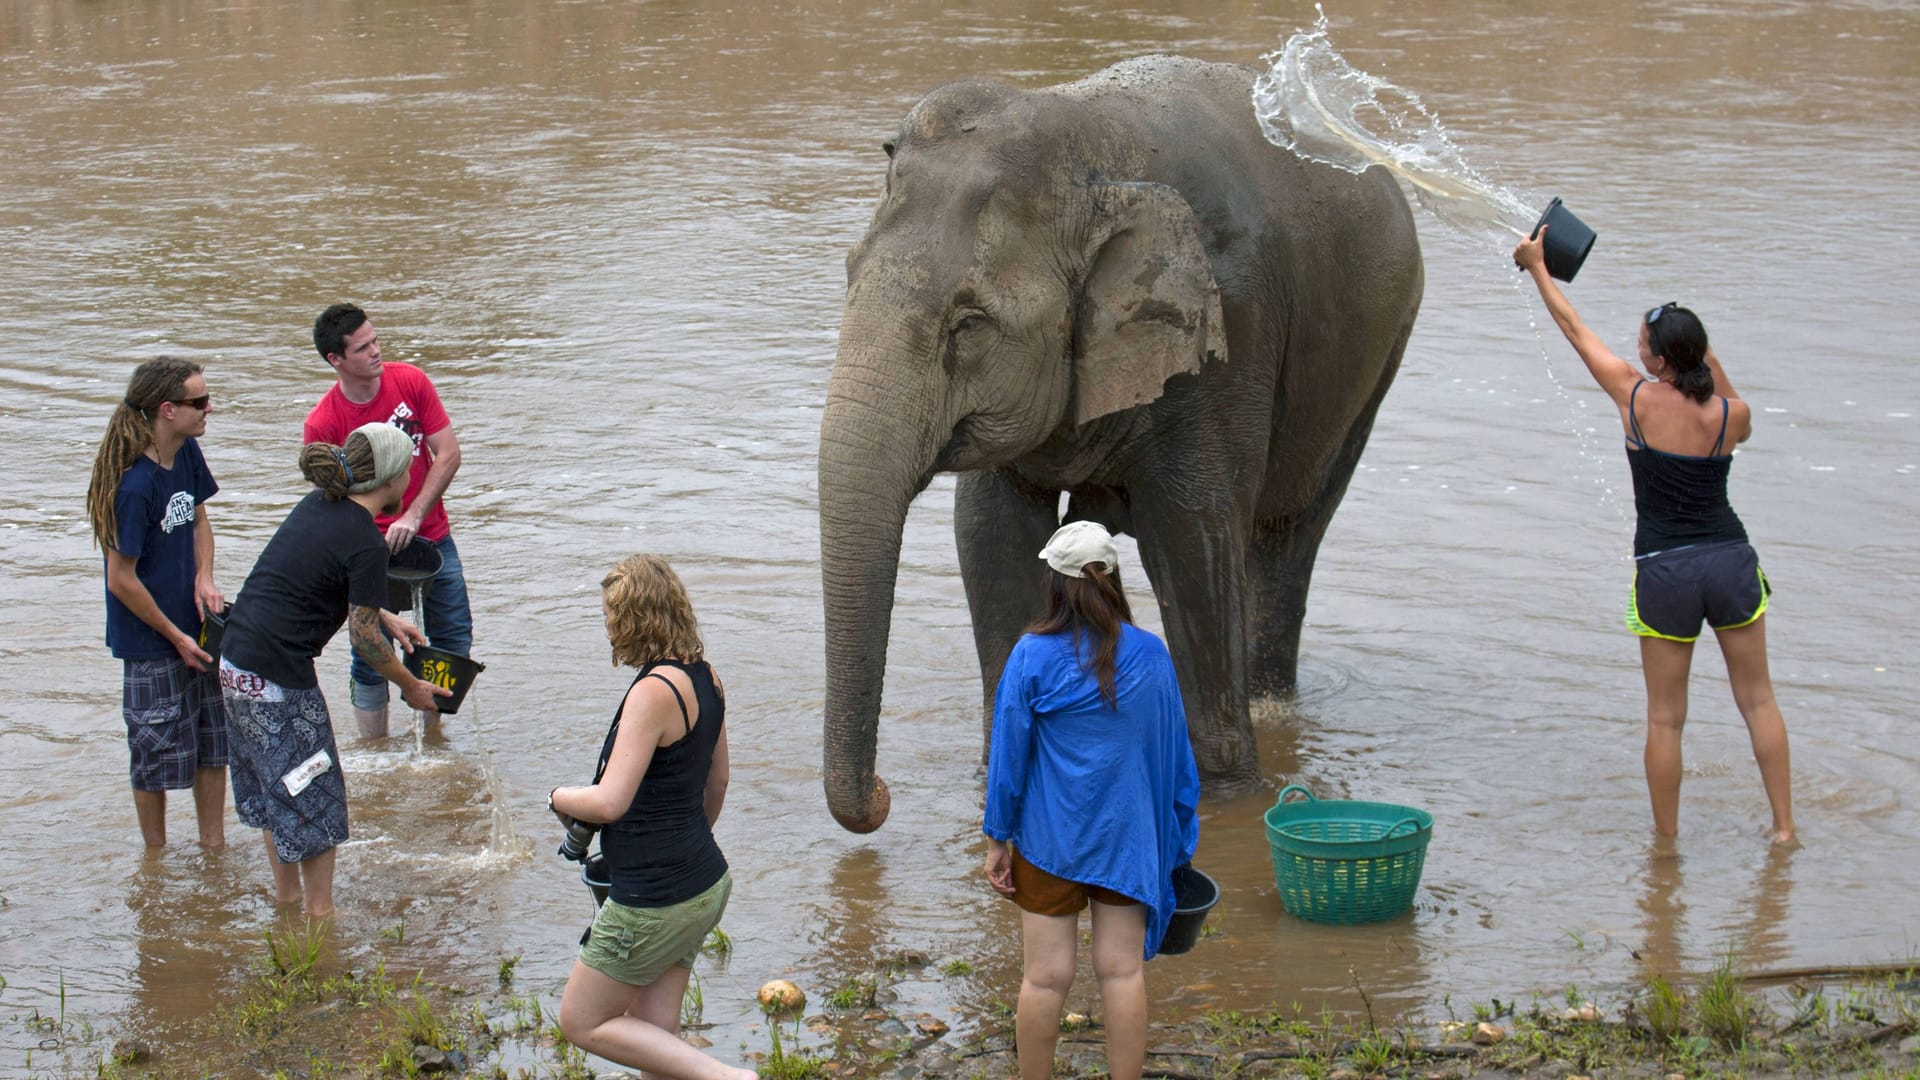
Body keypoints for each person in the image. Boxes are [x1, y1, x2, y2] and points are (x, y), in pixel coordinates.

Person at [1516, 228, 1795, 845]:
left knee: (1666, 721)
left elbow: (1573, 329)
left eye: (1643, 344)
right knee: (1759, 702)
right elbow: (1724, 393)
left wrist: (1538, 268)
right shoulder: (1731, 416)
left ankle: (1666, 847)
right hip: (1730, 563)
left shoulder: (1636, 398)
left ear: (1658, 361)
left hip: (1666, 570)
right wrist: (1701, 350)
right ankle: (1783, 830)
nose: (1635, 350)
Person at [982, 521, 1201, 1080]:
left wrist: (996, 839)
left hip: (1049, 842)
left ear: (1054, 584)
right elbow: (1177, 762)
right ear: (1115, 582)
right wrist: (1178, 841)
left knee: (1045, 978)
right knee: (1122, 972)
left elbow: (1008, 759)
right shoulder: (1152, 656)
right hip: (1128, 842)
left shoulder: (1031, 656)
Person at [218, 423, 450, 917]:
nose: (412, 476)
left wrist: (384, 614)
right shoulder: (366, 540)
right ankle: (319, 913)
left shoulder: (318, 507)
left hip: (236, 665)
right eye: (408, 467)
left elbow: (316, 582)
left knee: (277, 787)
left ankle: (286, 901)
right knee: (312, 787)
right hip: (279, 679)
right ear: (391, 478)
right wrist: (410, 686)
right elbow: (363, 639)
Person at [550, 556, 753, 1080]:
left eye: (610, 616)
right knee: (655, 1036)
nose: (607, 627)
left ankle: (730, 1077)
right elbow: (719, 782)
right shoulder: (708, 678)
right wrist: (684, 847)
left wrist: (559, 796)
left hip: (652, 899)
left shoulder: (652, 692)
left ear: (636, 617)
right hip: (704, 882)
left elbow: (610, 801)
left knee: (581, 1020)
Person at [304, 302, 471, 739]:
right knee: (370, 649)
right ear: (335, 360)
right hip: (368, 549)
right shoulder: (323, 423)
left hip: (431, 535)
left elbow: (448, 453)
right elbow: (328, 506)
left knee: (452, 640)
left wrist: (414, 514)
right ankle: (374, 748)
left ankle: (433, 739)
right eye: (363, 348)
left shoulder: (410, 381)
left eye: (376, 340)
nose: (377, 351)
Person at [86, 356, 228, 849]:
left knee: (215, 743)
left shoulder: (186, 452)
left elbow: (199, 520)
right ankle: (155, 856)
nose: (210, 408)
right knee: (154, 752)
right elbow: (119, 579)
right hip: (151, 640)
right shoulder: (133, 486)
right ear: (167, 409)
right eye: (200, 402)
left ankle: (215, 846)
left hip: (198, 624)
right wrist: (174, 635)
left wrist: (205, 577)